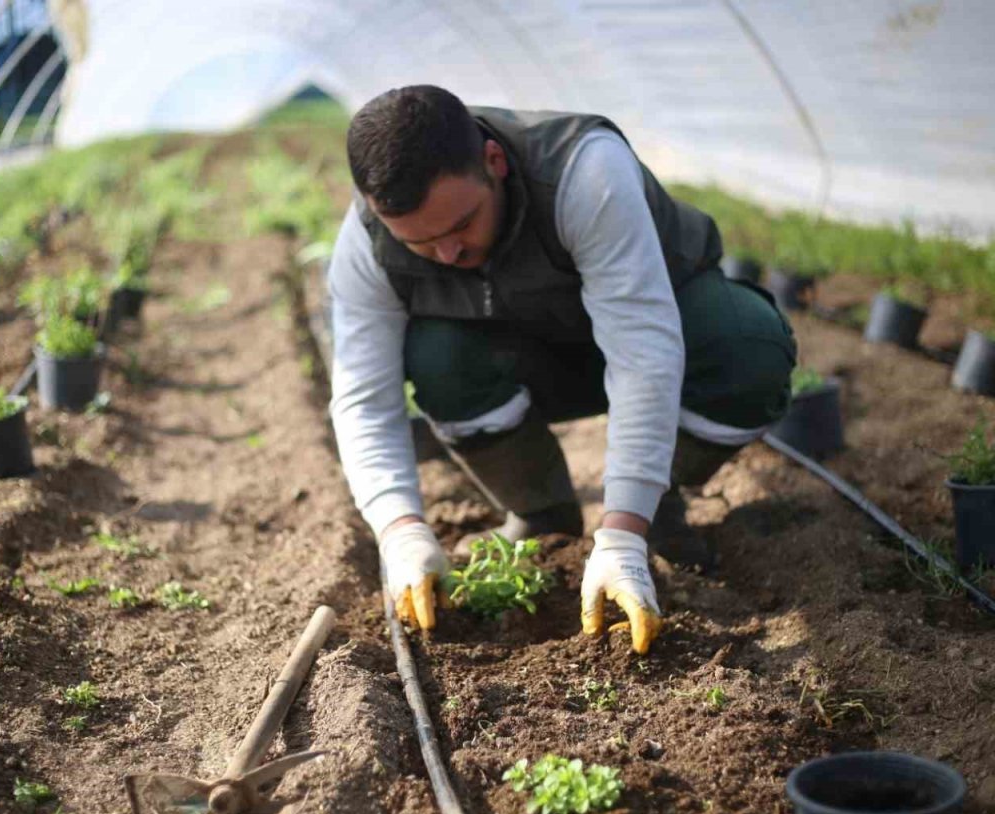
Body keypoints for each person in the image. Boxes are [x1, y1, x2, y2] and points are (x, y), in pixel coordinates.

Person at [328, 85, 796, 654]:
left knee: (751, 349)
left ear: (493, 162)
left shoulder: (584, 171)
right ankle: (541, 515)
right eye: (421, 243)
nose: (448, 254)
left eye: (461, 225)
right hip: (528, 356)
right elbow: (363, 399)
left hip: (664, 334)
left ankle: (659, 505)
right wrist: (400, 532)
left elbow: (641, 350)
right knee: (437, 357)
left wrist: (623, 531)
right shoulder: (367, 246)